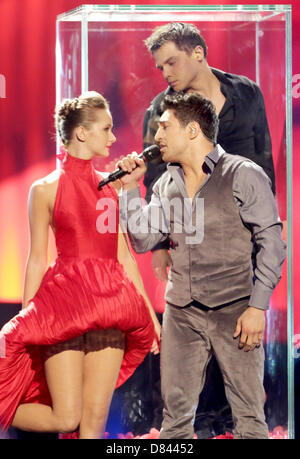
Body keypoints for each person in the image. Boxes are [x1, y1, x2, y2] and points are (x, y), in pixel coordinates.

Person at [117, 92, 286, 439]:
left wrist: (257, 307)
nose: (156, 136)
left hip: (237, 309)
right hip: (182, 310)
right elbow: (144, 240)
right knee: (175, 422)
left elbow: (272, 243)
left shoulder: (243, 174)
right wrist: (131, 190)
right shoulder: (166, 183)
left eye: (164, 127)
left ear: (193, 131)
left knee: (250, 418)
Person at [141, 22, 276, 436]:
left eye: (171, 61)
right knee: (182, 388)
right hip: (189, 243)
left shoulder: (246, 92)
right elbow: (156, 181)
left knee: (243, 367)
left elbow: (264, 154)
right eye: (160, 66)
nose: (165, 72)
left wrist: (271, 224)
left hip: (243, 230)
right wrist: (160, 243)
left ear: (198, 52)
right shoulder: (160, 110)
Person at [0, 91, 160, 439]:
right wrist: (32, 319)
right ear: (82, 133)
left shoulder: (112, 187)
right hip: (64, 309)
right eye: (106, 128)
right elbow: (37, 259)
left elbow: (123, 257)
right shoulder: (44, 189)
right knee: (66, 418)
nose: (114, 137)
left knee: (93, 425)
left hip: (111, 305)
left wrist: (148, 312)